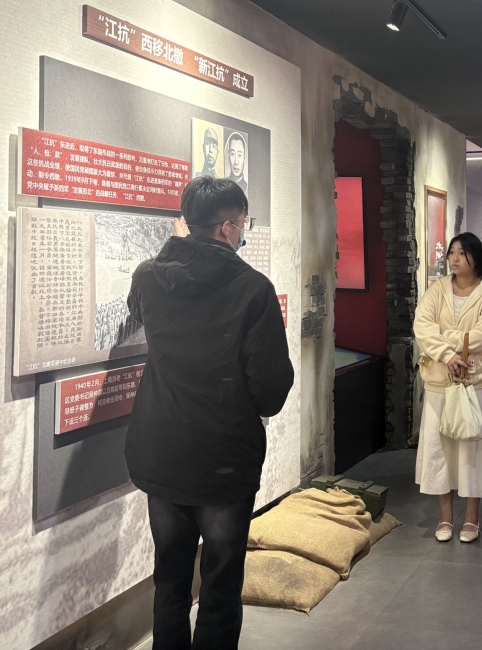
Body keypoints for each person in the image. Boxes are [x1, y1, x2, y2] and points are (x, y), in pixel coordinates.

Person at [125, 177, 294, 650]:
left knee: (169, 580)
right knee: (219, 587)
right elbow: (270, 392)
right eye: (244, 224)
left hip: (161, 452)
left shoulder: (148, 276)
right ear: (226, 228)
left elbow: (137, 310)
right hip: (223, 459)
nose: (243, 232)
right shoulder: (253, 290)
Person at [413, 233, 482, 543]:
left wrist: (443, 337)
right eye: (452, 252)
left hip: (475, 382)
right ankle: (445, 517)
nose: (454, 258)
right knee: (440, 450)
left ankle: (472, 517)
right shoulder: (437, 289)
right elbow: (422, 325)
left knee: (471, 450)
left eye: (462, 253)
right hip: (439, 380)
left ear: (475, 258)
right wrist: (447, 353)